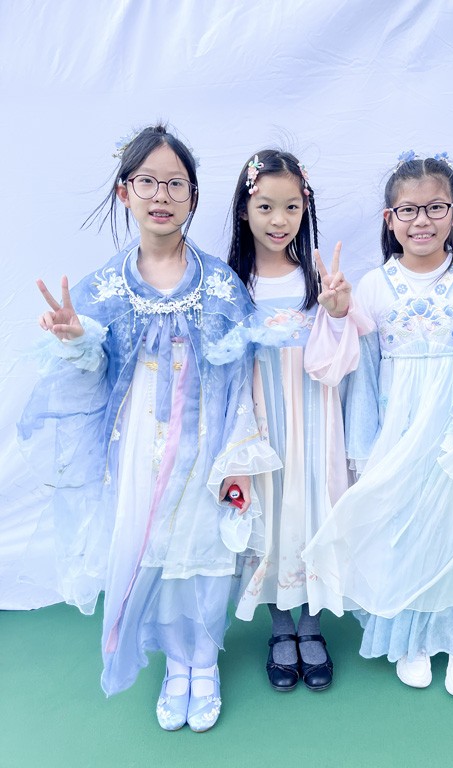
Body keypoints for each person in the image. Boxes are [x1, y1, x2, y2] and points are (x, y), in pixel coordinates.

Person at [17, 124, 280, 731]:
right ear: (124, 192)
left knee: (204, 547)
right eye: (148, 182)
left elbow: (244, 375)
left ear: (193, 197)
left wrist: (237, 454)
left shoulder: (221, 285)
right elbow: (93, 373)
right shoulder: (105, 286)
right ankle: (173, 664)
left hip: (207, 436)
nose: (162, 195)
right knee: (151, 546)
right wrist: (77, 341)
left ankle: (203, 661)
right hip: (137, 442)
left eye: (175, 184)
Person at [302, 152, 453, 698]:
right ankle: (412, 638)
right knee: (401, 534)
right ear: (389, 219)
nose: (421, 220)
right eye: (408, 210)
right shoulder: (373, 286)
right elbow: (363, 373)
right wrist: (367, 443)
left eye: (435, 207)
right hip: (398, 430)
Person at [227, 150, 372, 692]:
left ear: (305, 208)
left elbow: (338, 366)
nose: (279, 219)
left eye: (291, 206)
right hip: (259, 419)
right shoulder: (231, 283)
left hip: (314, 417)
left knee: (314, 508)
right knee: (268, 513)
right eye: (265, 206)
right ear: (244, 210)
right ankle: (279, 626)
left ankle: (311, 624)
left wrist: (336, 313)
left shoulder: (319, 280)